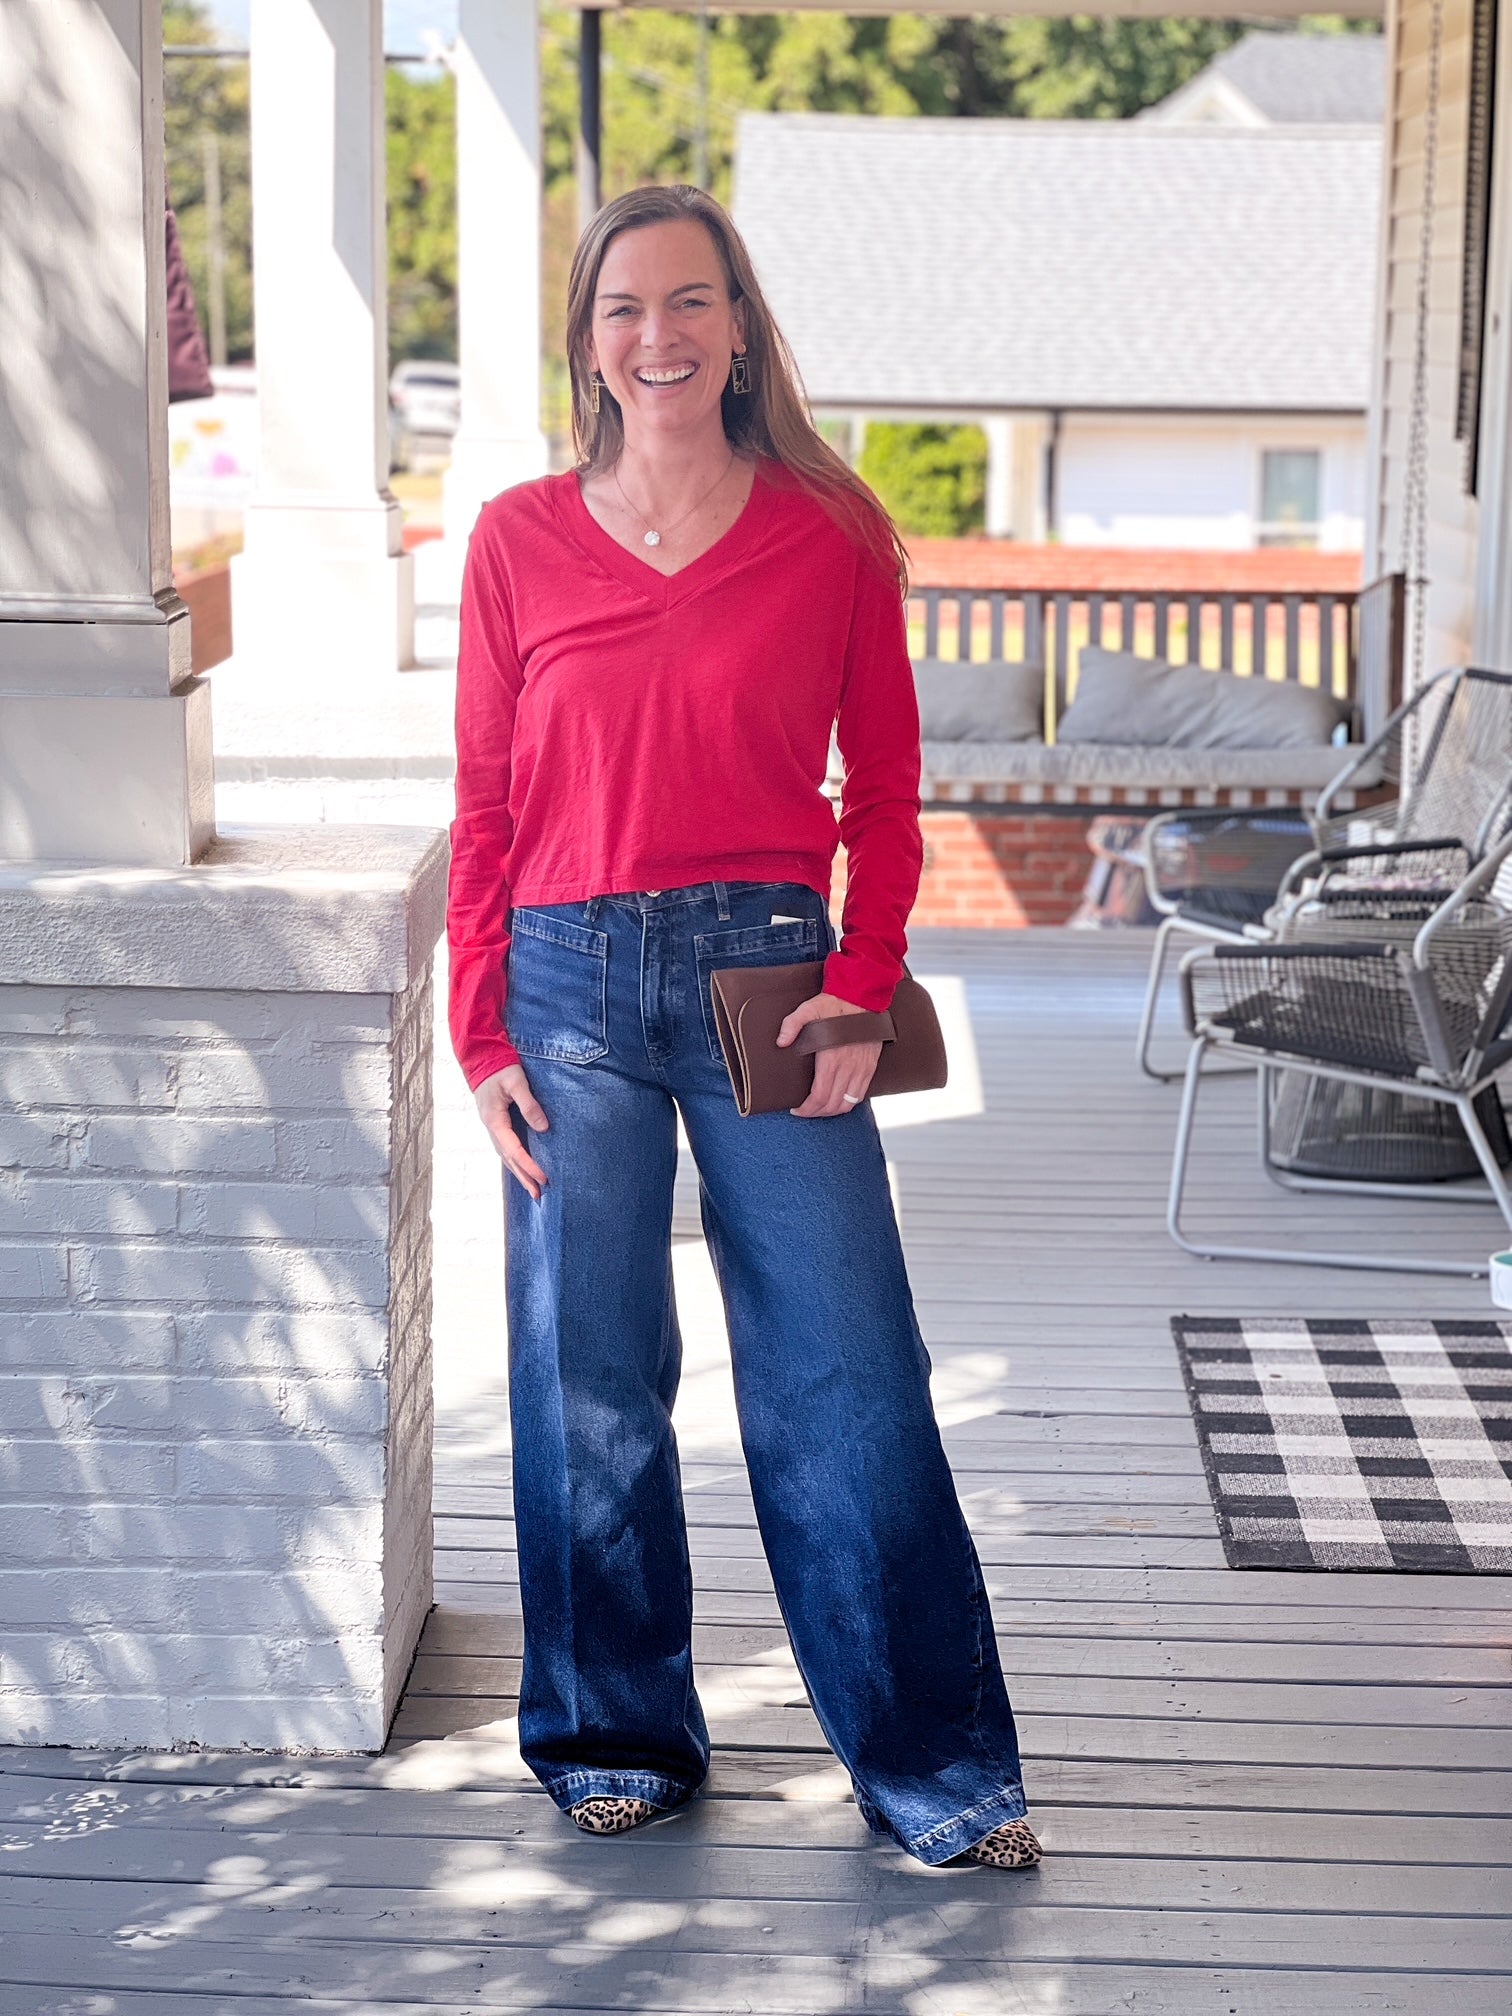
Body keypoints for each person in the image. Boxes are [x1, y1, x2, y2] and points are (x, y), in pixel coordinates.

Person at [447, 184, 1039, 1872]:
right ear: (588, 341)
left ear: (741, 328)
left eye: (693, 302)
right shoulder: (514, 540)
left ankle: (934, 1767)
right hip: (563, 991)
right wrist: (480, 1027)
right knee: (589, 1376)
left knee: (847, 1370)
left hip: (770, 981)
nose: (661, 334)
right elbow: (485, 810)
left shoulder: (828, 529)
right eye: (626, 307)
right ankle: (613, 1732)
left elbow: (892, 781)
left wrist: (866, 976)